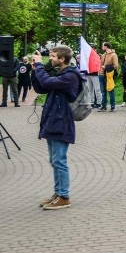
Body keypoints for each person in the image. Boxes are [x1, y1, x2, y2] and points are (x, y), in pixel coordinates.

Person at [30, 46, 85, 210]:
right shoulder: (61, 74)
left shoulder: (70, 76)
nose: (50, 58)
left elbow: (47, 81)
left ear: (62, 59)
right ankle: (58, 193)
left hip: (61, 123)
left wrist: (40, 66)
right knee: (54, 161)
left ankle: (64, 196)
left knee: (60, 161)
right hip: (53, 121)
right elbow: (42, 87)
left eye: (53, 56)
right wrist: (34, 70)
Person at [98, 41, 119, 112]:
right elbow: (101, 64)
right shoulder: (103, 55)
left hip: (109, 75)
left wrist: (105, 67)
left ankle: (112, 106)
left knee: (111, 90)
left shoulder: (114, 55)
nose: (102, 47)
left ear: (106, 46)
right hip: (101, 74)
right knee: (103, 91)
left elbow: (116, 66)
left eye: (102, 46)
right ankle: (103, 106)